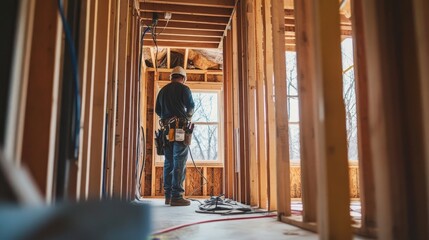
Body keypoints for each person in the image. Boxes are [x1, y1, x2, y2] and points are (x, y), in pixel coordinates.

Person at [155, 66, 195, 206]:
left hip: (166, 132)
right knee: (179, 160)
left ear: (171, 77)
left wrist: (167, 118)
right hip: (179, 130)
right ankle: (177, 196)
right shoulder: (184, 89)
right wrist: (186, 118)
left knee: (169, 162)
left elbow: (157, 110)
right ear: (183, 78)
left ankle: (168, 196)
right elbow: (191, 107)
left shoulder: (163, 91)